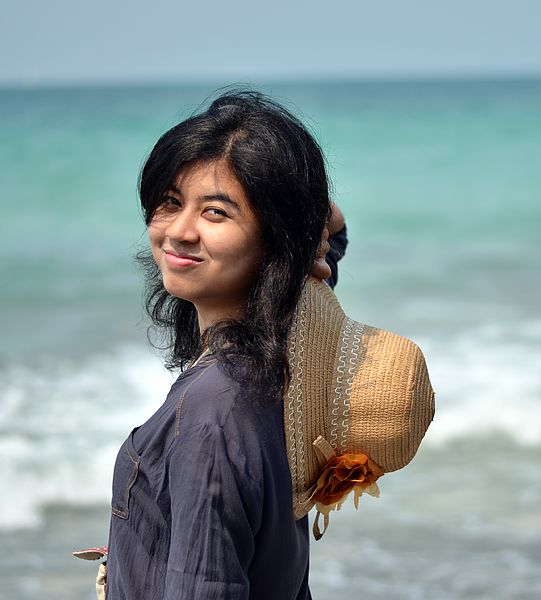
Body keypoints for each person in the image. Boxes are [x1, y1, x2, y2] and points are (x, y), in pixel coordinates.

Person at [102, 89, 347, 599]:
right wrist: (315, 227)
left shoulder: (212, 414)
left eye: (215, 213)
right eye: (170, 202)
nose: (178, 232)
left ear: (276, 239)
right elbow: (331, 239)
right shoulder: (286, 345)